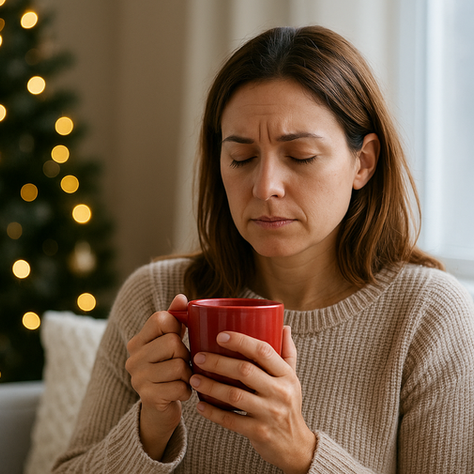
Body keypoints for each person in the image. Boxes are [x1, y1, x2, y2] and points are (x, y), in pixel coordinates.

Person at [53, 26, 474, 473]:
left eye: (301, 156)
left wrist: (299, 450)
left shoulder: (428, 316)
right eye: (241, 158)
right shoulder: (156, 297)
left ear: (363, 163)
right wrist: (149, 425)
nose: (265, 186)